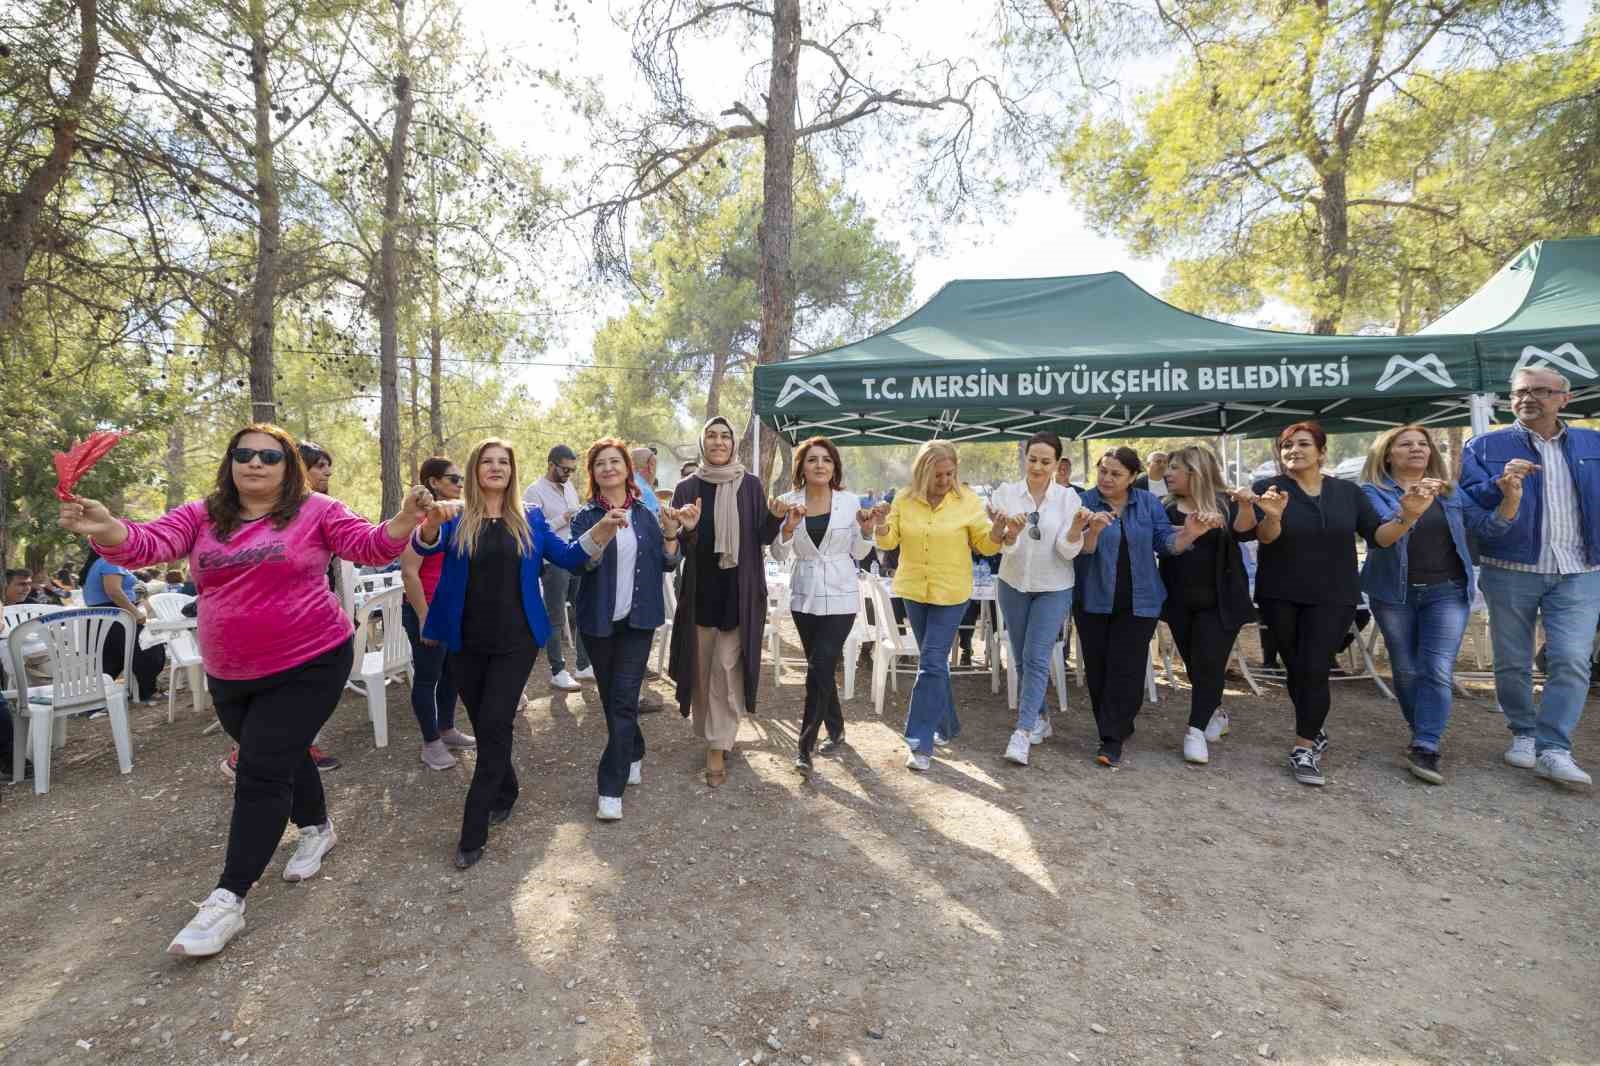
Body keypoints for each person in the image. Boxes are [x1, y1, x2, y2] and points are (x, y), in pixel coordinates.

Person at [58, 422, 435, 957]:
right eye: (243, 454)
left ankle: (228, 899)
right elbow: (146, 544)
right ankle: (316, 826)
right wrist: (108, 528)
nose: (254, 463)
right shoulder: (201, 515)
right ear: (230, 462)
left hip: (312, 659)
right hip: (231, 671)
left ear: (289, 468)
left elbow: (369, 547)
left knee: (259, 769)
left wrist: (401, 520)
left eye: (269, 456)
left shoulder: (318, 512)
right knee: (278, 750)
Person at [415, 438, 625, 868]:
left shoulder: (528, 518)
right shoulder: (456, 516)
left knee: (495, 722)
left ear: (512, 471)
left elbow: (568, 557)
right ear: (475, 471)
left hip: (517, 641)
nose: (495, 468)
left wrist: (601, 530)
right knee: (487, 725)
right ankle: (506, 788)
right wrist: (430, 524)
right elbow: (425, 546)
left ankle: (473, 828)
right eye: (487, 461)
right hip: (464, 640)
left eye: (503, 462)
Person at [1253, 420, 1429, 787]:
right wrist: (1272, 517)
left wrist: (1407, 516)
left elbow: (1380, 537)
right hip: (1280, 593)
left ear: (1321, 452)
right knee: (1297, 668)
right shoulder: (1268, 489)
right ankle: (1314, 729)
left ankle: (1304, 747)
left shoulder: (1347, 493)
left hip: (1334, 595)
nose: (1293, 451)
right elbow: (1266, 538)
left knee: (1315, 665)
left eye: (1302, 444)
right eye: (1287, 446)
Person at [1459, 367, 1600, 787]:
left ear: (1564, 399)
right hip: (1511, 569)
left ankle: (1553, 747)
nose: (1527, 398)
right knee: (1512, 661)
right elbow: (1469, 506)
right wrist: (1500, 486)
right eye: (1519, 392)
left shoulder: (1594, 443)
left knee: (1573, 660)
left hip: (1580, 570)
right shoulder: (1484, 446)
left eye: (1540, 390)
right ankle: (1522, 732)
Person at [1361, 425, 1517, 785]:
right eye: (1407, 444)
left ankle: (1426, 744)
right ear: (1388, 454)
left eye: (1423, 444)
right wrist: (1410, 510)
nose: (1418, 449)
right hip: (1392, 593)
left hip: (1447, 590)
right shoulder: (1373, 491)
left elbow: (1487, 528)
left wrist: (1511, 499)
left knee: (1436, 668)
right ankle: (1423, 733)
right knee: (1406, 670)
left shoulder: (1449, 491)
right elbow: (1383, 535)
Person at [571, 439, 693, 819]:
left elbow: (668, 563)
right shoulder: (585, 516)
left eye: (615, 462)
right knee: (612, 699)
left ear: (627, 469)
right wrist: (602, 534)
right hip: (597, 622)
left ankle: (610, 787)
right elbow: (580, 567)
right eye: (600, 464)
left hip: (638, 621)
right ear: (593, 473)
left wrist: (672, 533)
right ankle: (635, 748)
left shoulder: (644, 513)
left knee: (624, 699)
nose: (608, 468)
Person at [870, 440, 1008, 772]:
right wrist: (881, 524)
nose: (945, 480)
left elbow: (984, 545)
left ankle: (919, 742)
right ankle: (947, 725)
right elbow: (889, 542)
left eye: (950, 473)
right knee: (934, 665)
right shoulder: (903, 499)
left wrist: (999, 531)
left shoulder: (967, 500)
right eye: (938, 474)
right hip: (914, 590)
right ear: (922, 472)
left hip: (952, 592)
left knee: (931, 661)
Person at [1074, 447, 1215, 768]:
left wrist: (1189, 534)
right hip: (1092, 597)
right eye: (1103, 471)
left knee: (1127, 668)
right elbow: (1074, 549)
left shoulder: (1148, 503)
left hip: (1141, 600)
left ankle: (1111, 738)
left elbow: (1165, 543)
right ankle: (1115, 726)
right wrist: (1090, 530)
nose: (1107, 478)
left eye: (1116, 474)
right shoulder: (1083, 502)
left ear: (1132, 477)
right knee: (1099, 668)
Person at [668, 416, 783, 786]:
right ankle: (714, 733)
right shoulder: (687, 487)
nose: (719, 442)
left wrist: (777, 519)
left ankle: (716, 744)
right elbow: (680, 545)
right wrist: (686, 528)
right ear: (703, 443)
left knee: (726, 668)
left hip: (741, 592)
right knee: (703, 672)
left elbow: (761, 536)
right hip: (702, 593)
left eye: (725, 437)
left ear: (733, 444)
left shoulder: (750, 485)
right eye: (712, 437)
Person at [770, 436, 874, 774]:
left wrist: (868, 530)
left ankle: (804, 745)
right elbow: (778, 553)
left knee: (818, 667)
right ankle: (838, 728)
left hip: (842, 593)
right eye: (812, 459)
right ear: (801, 466)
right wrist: (787, 527)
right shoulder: (787, 501)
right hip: (804, 594)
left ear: (834, 467)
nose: (819, 465)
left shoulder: (849, 501)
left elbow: (859, 552)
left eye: (826, 460)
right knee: (821, 666)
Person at [987, 432, 1086, 766]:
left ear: (1057, 464)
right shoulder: (1005, 494)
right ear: (1024, 458)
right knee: (1019, 657)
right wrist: (1009, 534)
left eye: (1046, 461)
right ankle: (1041, 716)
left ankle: (1023, 732)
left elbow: (1067, 550)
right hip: (1013, 583)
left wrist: (1074, 531)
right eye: (1033, 459)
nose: (1038, 467)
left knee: (1037, 657)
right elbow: (1003, 547)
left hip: (1054, 585)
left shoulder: (1068, 499)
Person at [1158, 444, 1258, 765]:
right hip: (1179, 600)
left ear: (1195, 472)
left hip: (1221, 600)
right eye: (1167, 468)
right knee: (1194, 665)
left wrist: (1244, 504)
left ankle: (1195, 731)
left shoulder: (1226, 503)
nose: (1167, 473)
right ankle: (1215, 712)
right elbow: (1160, 543)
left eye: (1175, 468)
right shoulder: (1164, 507)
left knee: (1208, 663)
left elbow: (1245, 532)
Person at [400, 456, 476, 770]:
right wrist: (424, 617)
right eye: (454, 479)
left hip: (451, 611)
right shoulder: (420, 519)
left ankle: (447, 729)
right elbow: (409, 573)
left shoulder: (456, 518)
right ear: (434, 482)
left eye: (461, 479)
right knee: (428, 677)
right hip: (426, 610)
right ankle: (430, 743)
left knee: (451, 675)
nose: (461, 484)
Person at [523, 444, 591, 692]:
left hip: (574, 556)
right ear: (551, 464)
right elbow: (533, 532)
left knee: (583, 611)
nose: (569, 474)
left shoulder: (570, 487)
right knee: (555, 617)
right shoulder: (533, 492)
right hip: (553, 563)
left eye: (572, 470)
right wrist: (564, 517)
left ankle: (583, 665)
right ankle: (558, 670)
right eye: (565, 469)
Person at [81, 548, 168, 703]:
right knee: (151, 646)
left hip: (100, 618)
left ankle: (100, 697)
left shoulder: (97, 563)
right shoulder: (110, 561)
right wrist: (136, 613)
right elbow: (113, 591)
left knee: (110, 660)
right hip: (117, 616)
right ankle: (145, 691)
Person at [630, 446, 662, 515]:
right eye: (655, 467)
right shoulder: (644, 490)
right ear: (651, 465)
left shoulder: (625, 483)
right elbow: (656, 519)